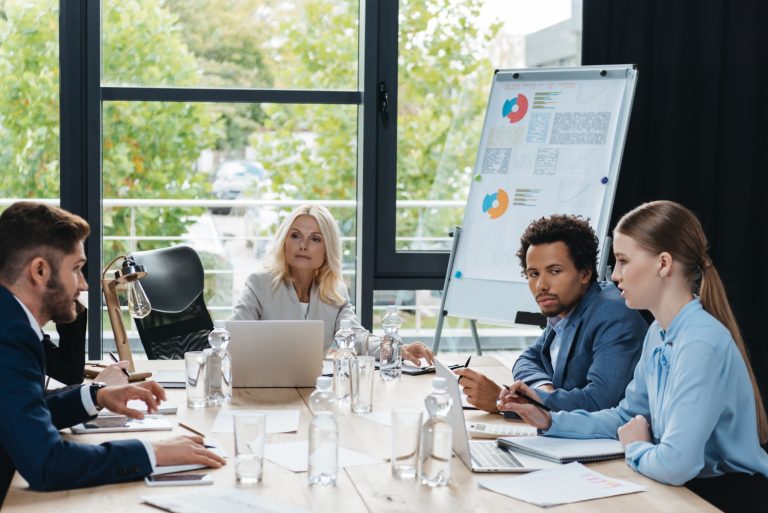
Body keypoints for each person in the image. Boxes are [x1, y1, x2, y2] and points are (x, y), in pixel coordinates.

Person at [498, 201, 768, 511]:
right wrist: (550, 420)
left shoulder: (701, 342)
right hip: (684, 491)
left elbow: (676, 464)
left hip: (723, 498)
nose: (615, 276)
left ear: (663, 264)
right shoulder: (659, 333)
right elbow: (626, 417)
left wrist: (636, 446)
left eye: (624, 261)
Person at [0, 201, 225, 505]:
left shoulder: (10, 319)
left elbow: (20, 412)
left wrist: (97, 395)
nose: (83, 285)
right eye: (77, 269)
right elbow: (48, 463)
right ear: (39, 270)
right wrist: (154, 452)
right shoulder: (11, 335)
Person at [456, 214, 647, 413]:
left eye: (554, 271)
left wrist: (504, 401)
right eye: (533, 274)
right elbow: (528, 359)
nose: (541, 285)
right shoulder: (565, 307)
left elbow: (600, 403)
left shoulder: (612, 314)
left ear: (585, 273)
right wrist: (542, 389)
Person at [232, 204, 433, 364]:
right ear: (284, 242)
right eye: (295, 236)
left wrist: (398, 349)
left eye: (315, 239)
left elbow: (359, 339)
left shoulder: (335, 292)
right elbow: (235, 339)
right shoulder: (259, 284)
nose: (303, 245)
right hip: (264, 385)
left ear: (327, 249)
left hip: (313, 387)